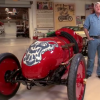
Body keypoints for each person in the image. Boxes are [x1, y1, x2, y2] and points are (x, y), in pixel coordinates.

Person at [84, 2, 100, 79]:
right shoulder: (90, 17)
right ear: (94, 8)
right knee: (91, 58)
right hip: (93, 39)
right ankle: (89, 72)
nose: (98, 7)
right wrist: (88, 37)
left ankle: (99, 73)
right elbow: (85, 28)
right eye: (96, 6)